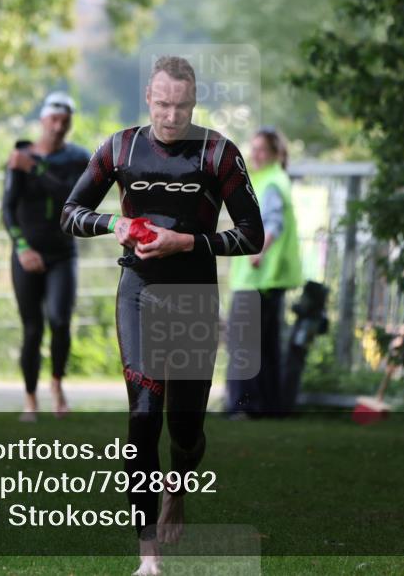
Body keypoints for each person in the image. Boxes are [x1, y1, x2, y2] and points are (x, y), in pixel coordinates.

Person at [61, 56, 264, 576]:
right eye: (161, 104)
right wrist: (114, 225)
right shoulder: (120, 148)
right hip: (140, 293)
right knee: (143, 418)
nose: (171, 116)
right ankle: (148, 558)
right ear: (148, 98)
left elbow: (251, 234)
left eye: (181, 106)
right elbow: (70, 213)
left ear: (193, 103)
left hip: (194, 296)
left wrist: (189, 241)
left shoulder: (217, 153)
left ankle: (178, 483)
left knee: (186, 431)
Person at [2, 91, 90, 421]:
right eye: (53, 120)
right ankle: (30, 398)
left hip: (62, 253)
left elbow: (72, 199)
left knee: (60, 320)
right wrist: (22, 249)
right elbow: (7, 211)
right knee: (32, 329)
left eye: (65, 122)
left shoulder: (77, 158)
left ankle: (56, 384)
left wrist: (36, 169)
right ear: (42, 120)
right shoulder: (19, 157)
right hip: (27, 253)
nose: (58, 127)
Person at [226, 127, 303, 417]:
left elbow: (272, 223)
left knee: (243, 344)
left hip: (257, 276)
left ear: (276, 154)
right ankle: (270, 406)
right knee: (267, 346)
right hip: (270, 279)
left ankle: (243, 407)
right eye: (254, 147)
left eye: (262, 149)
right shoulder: (275, 179)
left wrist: (259, 250)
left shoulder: (270, 182)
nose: (255, 154)